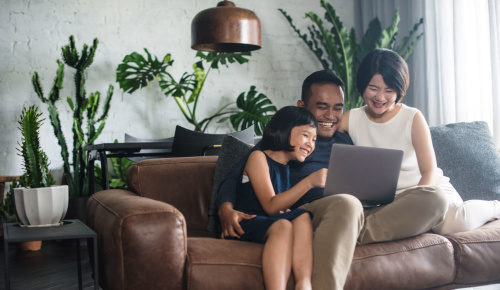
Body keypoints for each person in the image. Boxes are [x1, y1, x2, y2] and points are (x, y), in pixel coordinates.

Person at [217, 70, 365, 290]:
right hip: (324, 208)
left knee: (431, 200)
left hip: (349, 210)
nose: (331, 116)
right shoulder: (276, 149)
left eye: (338, 108)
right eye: (322, 106)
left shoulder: (346, 139)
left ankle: (305, 282)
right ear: (302, 106)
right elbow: (233, 177)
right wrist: (225, 209)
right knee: (344, 206)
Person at [338, 48, 500, 237]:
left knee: (448, 225)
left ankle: (496, 206)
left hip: (427, 190)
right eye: (373, 89)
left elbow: (429, 170)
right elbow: (320, 136)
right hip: (386, 202)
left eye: (389, 90)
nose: (380, 97)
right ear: (362, 84)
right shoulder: (352, 119)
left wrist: (417, 204)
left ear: (399, 90)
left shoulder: (412, 117)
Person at [227, 106, 326, 290]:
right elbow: (271, 206)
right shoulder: (258, 158)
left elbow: (278, 207)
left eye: (314, 139)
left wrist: (284, 211)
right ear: (285, 130)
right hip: (246, 221)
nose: (311, 144)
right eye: (306, 135)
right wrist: (310, 182)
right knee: (283, 225)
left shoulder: (286, 166)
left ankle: (304, 284)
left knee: (302, 216)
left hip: (266, 221)